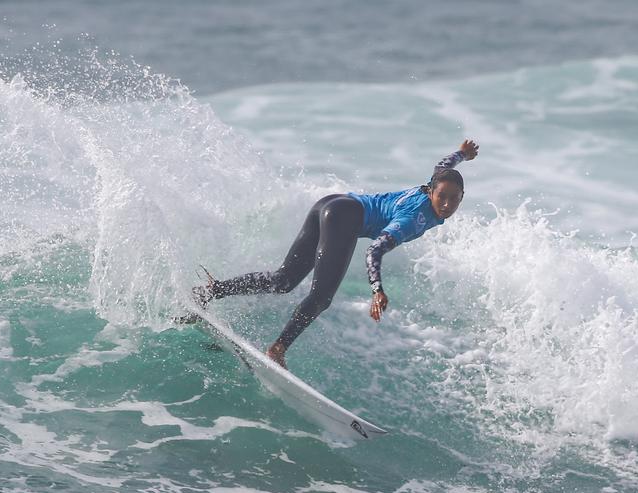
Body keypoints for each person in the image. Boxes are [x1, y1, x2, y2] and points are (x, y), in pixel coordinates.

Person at [194, 139, 479, 369]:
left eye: (454, 198)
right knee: (321, 297)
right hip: (344, 217)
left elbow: (443, 166)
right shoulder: (413, 219)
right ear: (431, 192)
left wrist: (462, 154)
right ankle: (277, 349)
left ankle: (212, 290)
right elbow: (374, 249)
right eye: (442, 197)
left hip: (331, 204)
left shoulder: (436, 181)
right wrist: (377, 289)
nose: (447, 204)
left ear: (462, 197)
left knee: (284, 280)